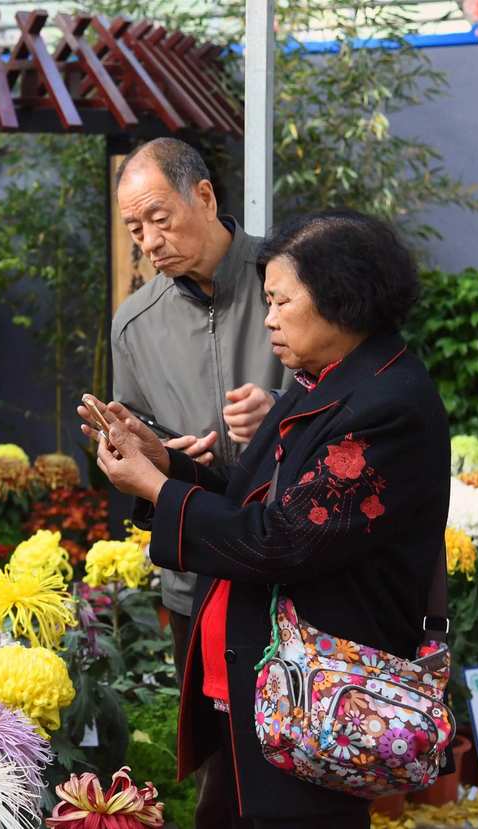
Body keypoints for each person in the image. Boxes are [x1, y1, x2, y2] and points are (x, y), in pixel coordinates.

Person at [83, 210, 450, 828]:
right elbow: (255, 498)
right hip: (261, 678)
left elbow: (282, 540)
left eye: (280, 301)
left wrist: (154, 487)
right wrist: (164, 465)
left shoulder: (390, 407)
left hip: (321, 693)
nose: (270, 317)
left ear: (344, 301)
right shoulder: (324, 381)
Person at [110, 137, 287, 682]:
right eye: (136, 230)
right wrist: (152, 457)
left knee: (301, 746)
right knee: (212, 760)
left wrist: (278, 411)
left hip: (296, 559)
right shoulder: (135, 322)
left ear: (204, 196)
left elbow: (352, 400)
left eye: (160, 218)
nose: (150, 242)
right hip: (198, 572)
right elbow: (136, 435)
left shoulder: (287, 281)